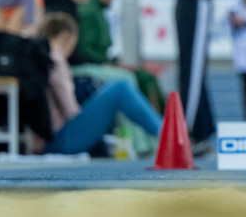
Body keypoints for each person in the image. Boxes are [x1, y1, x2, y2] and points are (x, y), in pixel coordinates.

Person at [39, 12, 162, 156]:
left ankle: (162, 133)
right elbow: (70, 110)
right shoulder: (56, 60)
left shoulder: (42, 56)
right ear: (66, 36)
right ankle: (167, 133)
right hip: (61, 139)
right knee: (120, 89)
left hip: (51, 138)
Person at [75, 0, 165, 112]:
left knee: (145, 75)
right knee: (140, 79)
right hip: (90, 66)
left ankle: (161, 123)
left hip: (100, 63)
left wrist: (115, 62)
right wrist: (110, 64)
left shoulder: (99, 11)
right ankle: (153, 127)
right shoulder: (89, 12)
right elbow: (84, 51)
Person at [171, 0, 215, 151]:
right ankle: (186, 130)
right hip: (194, 4)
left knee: (193, 68)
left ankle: (201, 126)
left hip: (188, 3)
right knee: (194, 69)